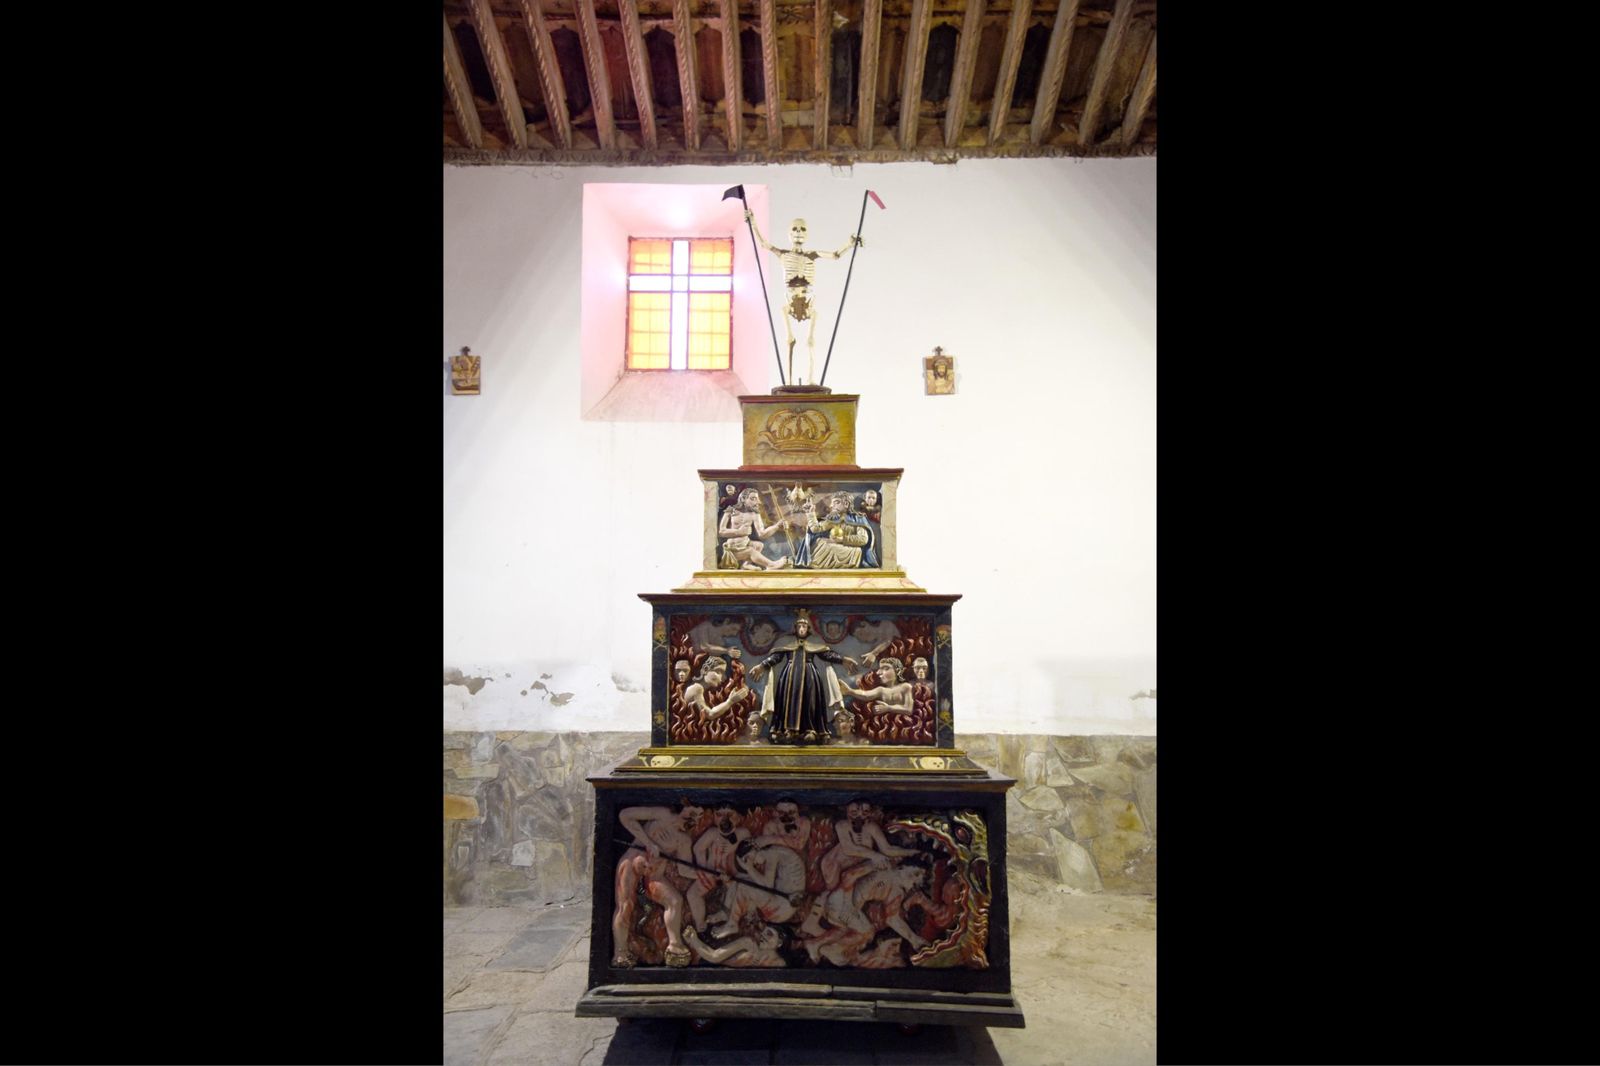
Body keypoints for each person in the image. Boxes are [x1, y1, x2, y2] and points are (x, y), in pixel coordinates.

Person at [745, 210, 862, 385]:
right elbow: (763, 244)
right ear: (789, 233)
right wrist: (753, 222)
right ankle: (790, 382)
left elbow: (835, 255)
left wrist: (849, 244)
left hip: (807, 301)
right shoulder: (783, 254)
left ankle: (811, 379)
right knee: (790, 340)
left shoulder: (812, 255)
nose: (799, 232)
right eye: (795, 229)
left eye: (802, 229)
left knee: (810, 340)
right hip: (790, 302)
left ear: (806, 234)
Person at [612, 801, 705, 967]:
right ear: (684, 806)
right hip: (633, 862)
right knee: (625, 906)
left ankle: (674, 947)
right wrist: (648, 842)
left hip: (654, 875)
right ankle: (620, 953)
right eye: (692, 812)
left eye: (698, 816)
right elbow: (625, 816)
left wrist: (706, 874)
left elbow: (684, 870)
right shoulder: (662, 814)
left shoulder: (683, 840)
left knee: (675, 901)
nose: (694, 818)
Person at [747, 611, 857, 744]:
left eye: (804, 627)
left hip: (810, 675)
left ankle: (811, 730)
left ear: (808, 628)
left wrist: (843, 660)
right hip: (789, 677)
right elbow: (776, 657)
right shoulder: (786, 642)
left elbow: (827, 655)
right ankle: (786, 730)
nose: (801, 629)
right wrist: (762, 666)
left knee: (811, 701)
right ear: (794, 628)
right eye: (799, 626)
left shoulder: (814, 641)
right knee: (787, 701)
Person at [818, 800, 918, 890]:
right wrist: (875, 855)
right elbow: (849, 848)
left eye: (865, 812)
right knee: (833, 890)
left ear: (870, 813)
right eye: (854, 813)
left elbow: (887, 849)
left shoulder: (871, 827)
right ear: (847, 813)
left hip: (854, 866)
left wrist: (911, 852)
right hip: (834, 865)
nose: (859, 816)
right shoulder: (842, 825)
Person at [688, 805, 750, 931]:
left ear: (738, 817)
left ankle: (730, 920)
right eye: (720, 814)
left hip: (732, 875)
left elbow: (749, 849)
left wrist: (735, 846)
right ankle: (700, 924)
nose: (724, 819)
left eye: (730, 815)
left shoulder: (742, 833)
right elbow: (698, 849)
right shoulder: (712, 833)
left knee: (738, 891)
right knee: (692, 894)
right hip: (712, 873)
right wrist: (705, 869)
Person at [719, 489, 794, 570]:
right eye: (753, 498)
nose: (757, 502)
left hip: (744, 545)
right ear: (743, 498)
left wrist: (776, 526)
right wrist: (738, 532)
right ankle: (770, 565)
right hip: (732, 549)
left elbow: (762, 534)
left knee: (759, 545)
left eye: (757, 499)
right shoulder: (730, 510)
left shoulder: (754, 514)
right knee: (751, 551)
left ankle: (746, 565)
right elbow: (722, 531)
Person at [804, 492, 876, 569]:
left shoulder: (858, 519)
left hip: (851, 549)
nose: (831, 506)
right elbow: (816, 529)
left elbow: (863, 539)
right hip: (836, 545)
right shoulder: (834, 517)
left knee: (829, 547)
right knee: (820, 541)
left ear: (846, 504)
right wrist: (810, 513)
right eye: (832, 503)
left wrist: (842, 539)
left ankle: (818, 565)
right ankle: (814, 564)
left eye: (836, 502)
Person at [681, 923, 787, 967]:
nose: (763, 935)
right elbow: (714, 956)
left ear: (779, 942)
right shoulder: (748, 943)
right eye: (763, 931)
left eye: (769, 934)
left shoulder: (779, 963)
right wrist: (694, 940)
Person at [681, 657, 750, 722]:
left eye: (723, 674)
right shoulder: (696, 688)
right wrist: (730, 701)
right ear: (705, 669)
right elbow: (710, 714)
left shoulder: (700, 689)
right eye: (719, 672)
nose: (723, 678)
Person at [844, 658, 916, 719]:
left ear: (897, 670)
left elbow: (908, 709)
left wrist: (888, 708)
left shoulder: (905, 687)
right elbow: (866, 695)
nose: (879, 672)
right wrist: (850, 691)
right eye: (880, 669)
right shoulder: (881, 690)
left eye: (885, 668)